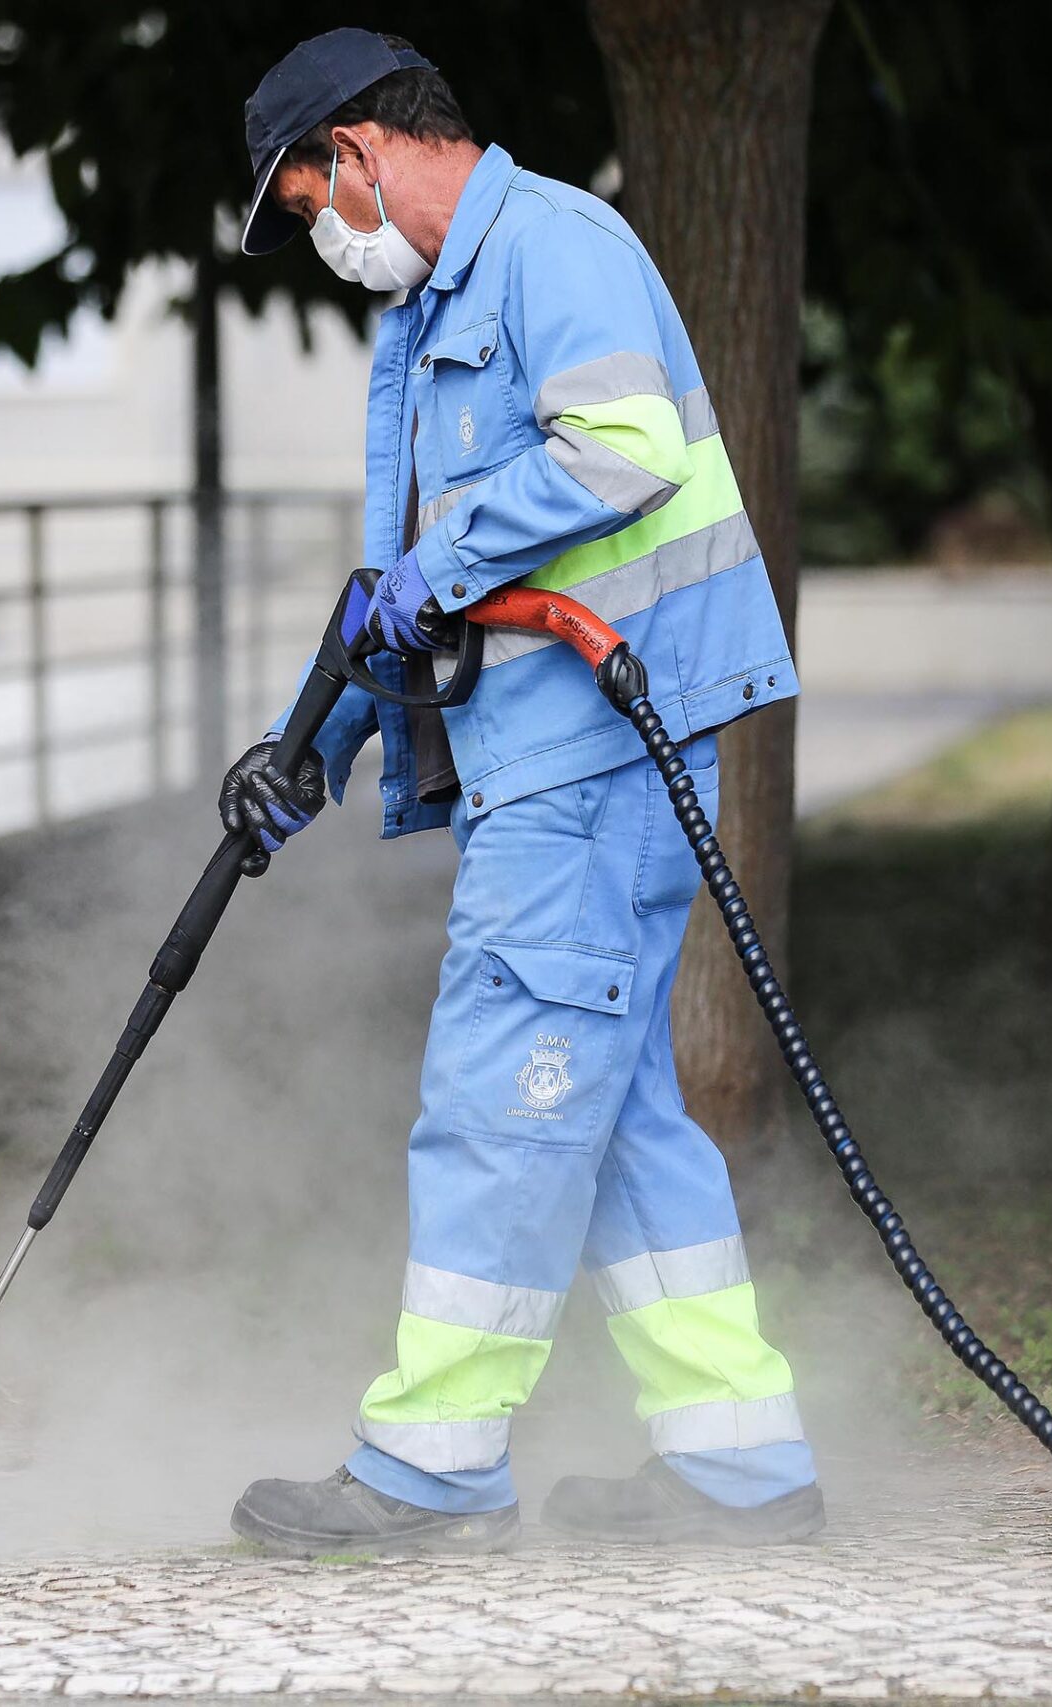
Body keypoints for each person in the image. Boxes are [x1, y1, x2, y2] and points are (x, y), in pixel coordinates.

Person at [218, 29, 821, 1556]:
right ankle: (742, 1467)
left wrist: (427, 571)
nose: (320, 240)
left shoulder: (557, 247)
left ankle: (428, 1466)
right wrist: (319, 746)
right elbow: (420, 597)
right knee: (618, 1124)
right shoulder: (438, 311)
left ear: (359, 149)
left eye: (306, 204)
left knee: (501, 1099)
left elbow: (617, 459)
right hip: (547, 759)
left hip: (598, 758)